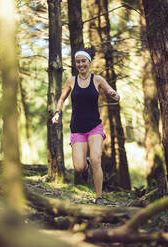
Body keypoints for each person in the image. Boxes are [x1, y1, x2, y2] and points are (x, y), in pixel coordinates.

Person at [51, 47, 120, 205]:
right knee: (79, 167)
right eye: (78, 62)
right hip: (77, 129)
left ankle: (99, 197)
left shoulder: (97, 80)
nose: (81, 64)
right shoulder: (71, 81)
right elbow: (61, 99)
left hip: (94, 126)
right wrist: (57, 112)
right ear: (75, 64)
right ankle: (86, 164)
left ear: (89, 62)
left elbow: (112, 92)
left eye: (84, 61)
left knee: (97, 160)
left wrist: (115, 95)